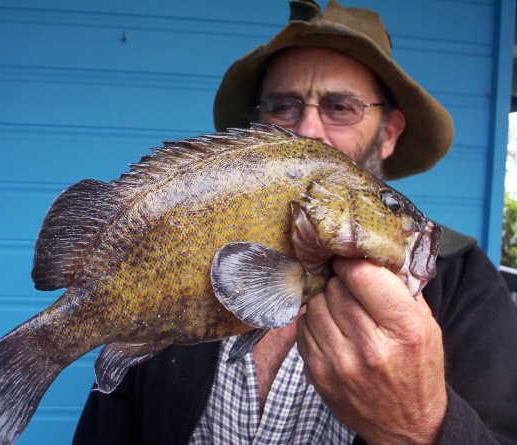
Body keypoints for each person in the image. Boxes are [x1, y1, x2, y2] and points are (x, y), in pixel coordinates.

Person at [73, 1, 517, 443]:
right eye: (284, 106)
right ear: (261, 127)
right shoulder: (186, 242)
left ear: (390, 132)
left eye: (340, 107)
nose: (308, 129)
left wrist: (420, 426)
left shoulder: (465, 283)